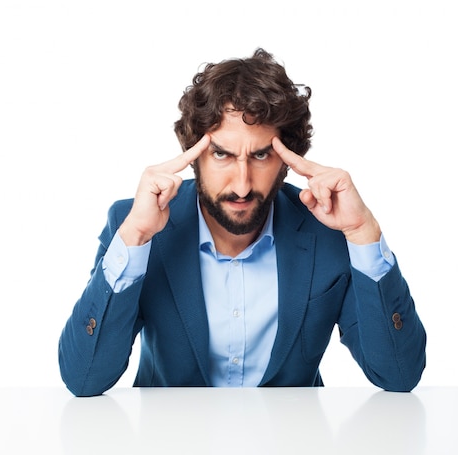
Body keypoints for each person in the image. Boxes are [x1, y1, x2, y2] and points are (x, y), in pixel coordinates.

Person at [58, 48, 426, 397]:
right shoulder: (137, 225)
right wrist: (135, 236)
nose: (242, 184)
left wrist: (362, 233)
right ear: (193, 156)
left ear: (286, 158)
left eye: (262, 154)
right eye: (221, 153)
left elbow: (398, 375)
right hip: (168, 439)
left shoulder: (325, 230)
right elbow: (84, 378)